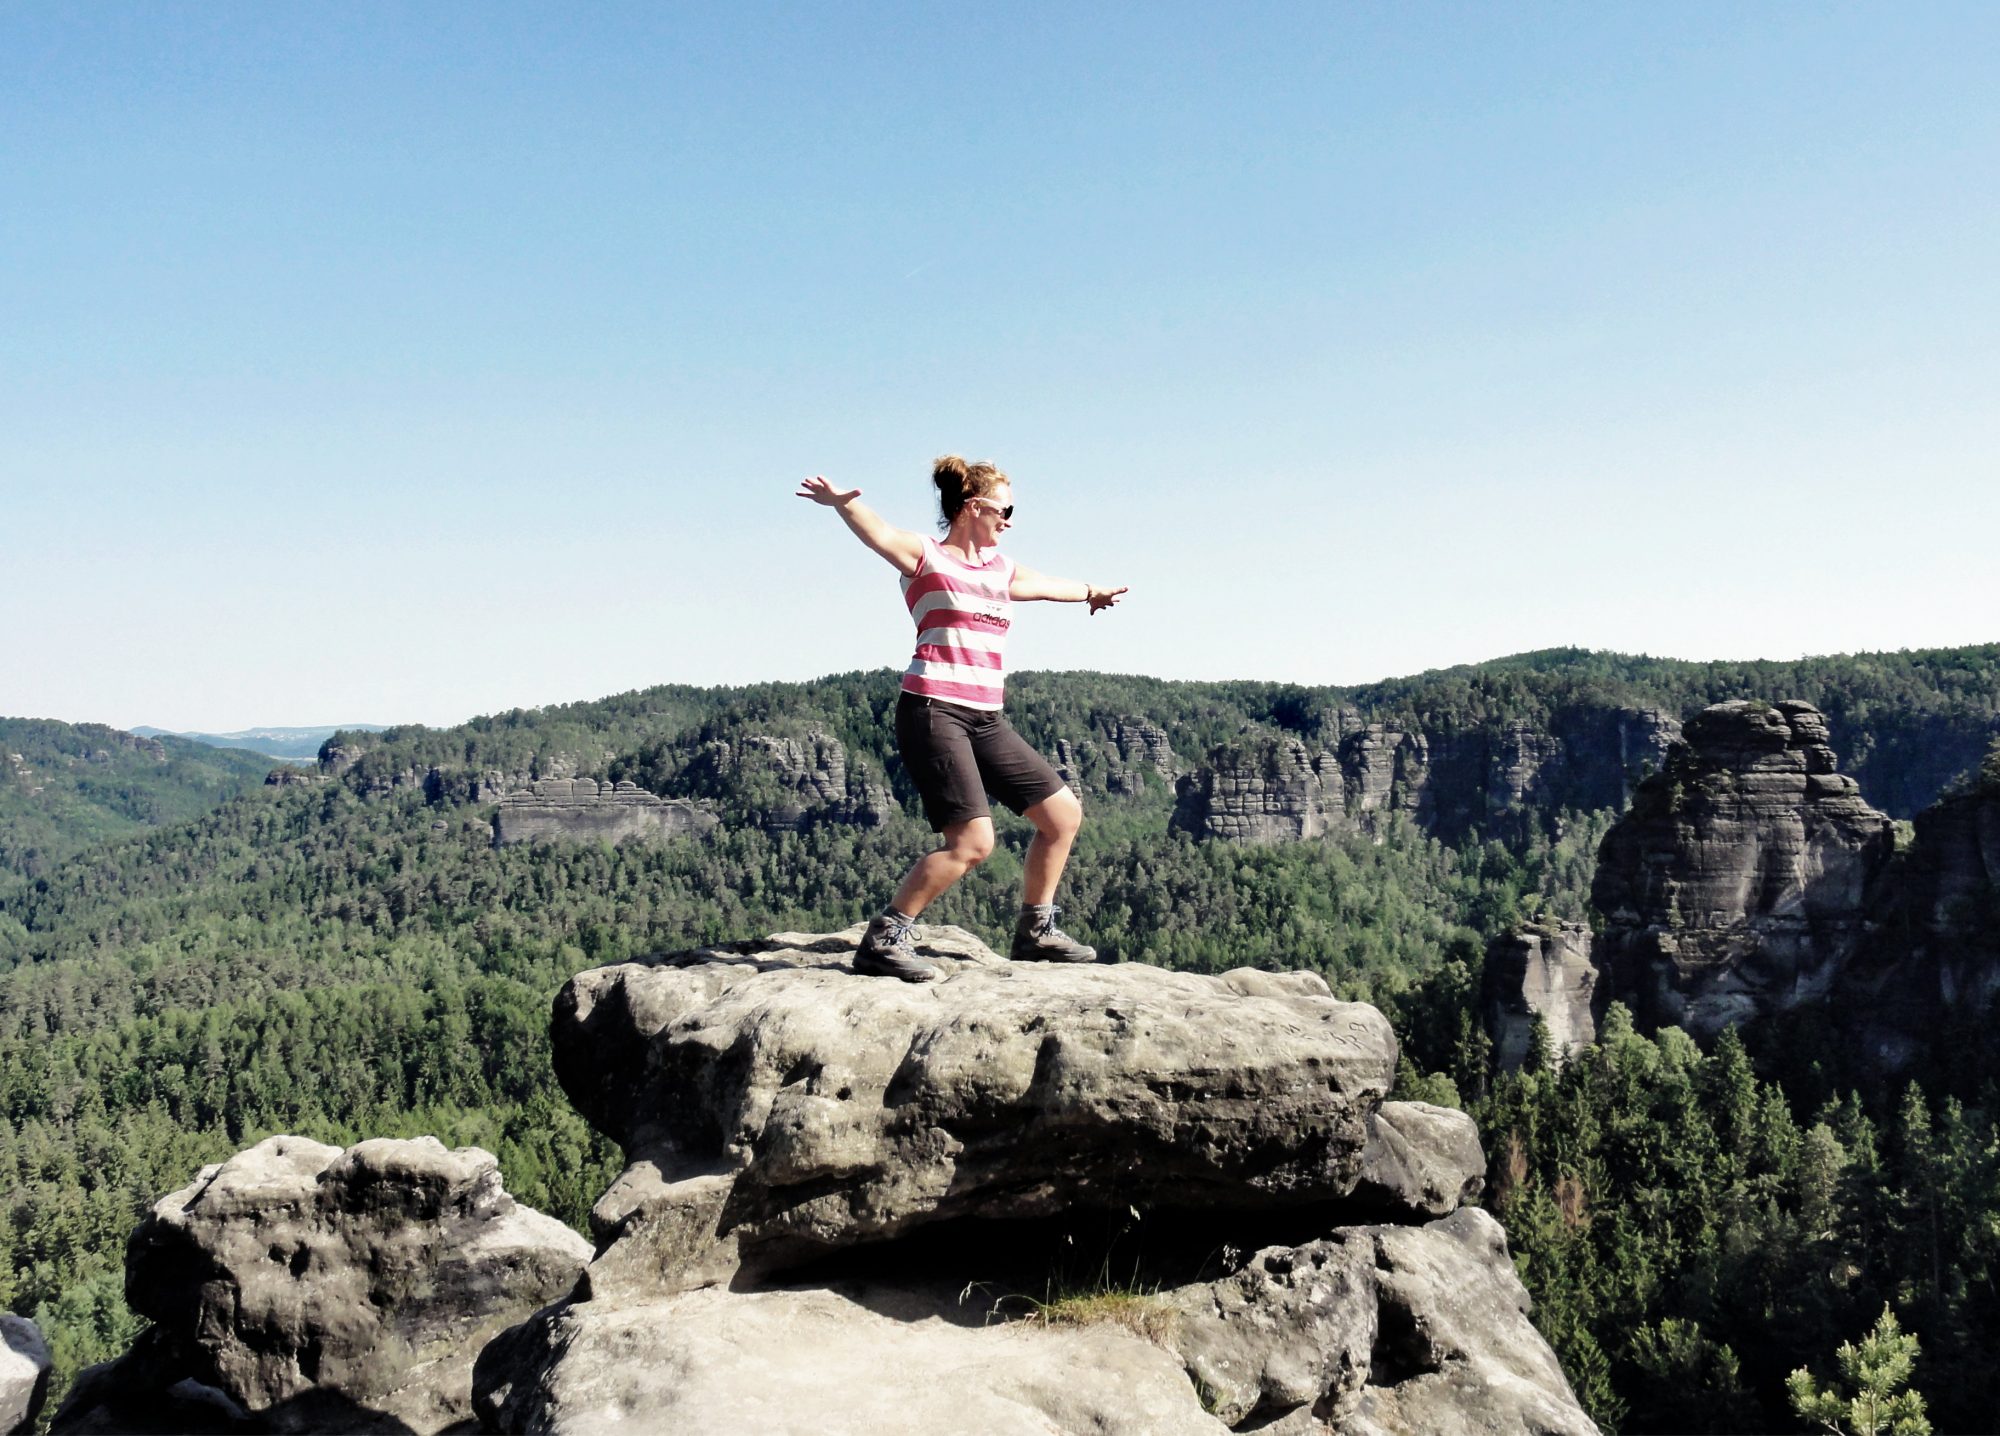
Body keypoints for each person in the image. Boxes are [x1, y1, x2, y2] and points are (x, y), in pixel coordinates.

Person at [796, 456, 1128, 982]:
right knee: (973, 844)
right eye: (1006, 509)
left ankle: (1036, 932)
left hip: (986, 717)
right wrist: (845, 504)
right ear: (974, 507)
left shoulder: (1001, 570)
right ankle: (884, 939)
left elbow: (1044, 583)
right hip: (933, 710)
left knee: (1062, 817)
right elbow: (878, 533)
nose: (1010, 520)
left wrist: (1091, 592)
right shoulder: (926, 557)